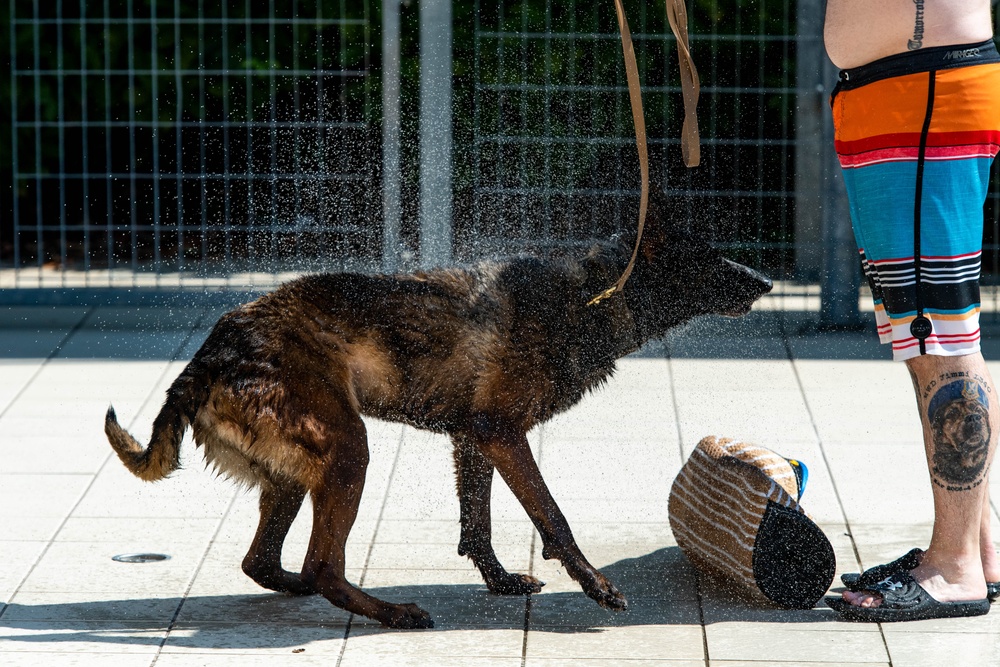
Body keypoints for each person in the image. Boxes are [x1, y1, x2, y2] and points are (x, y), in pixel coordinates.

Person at [823, 1, 1000, 621]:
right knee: (926, 340)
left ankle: (955, 570)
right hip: (901, 92)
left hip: (922, 92)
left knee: (941, 343)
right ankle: (976, 549)